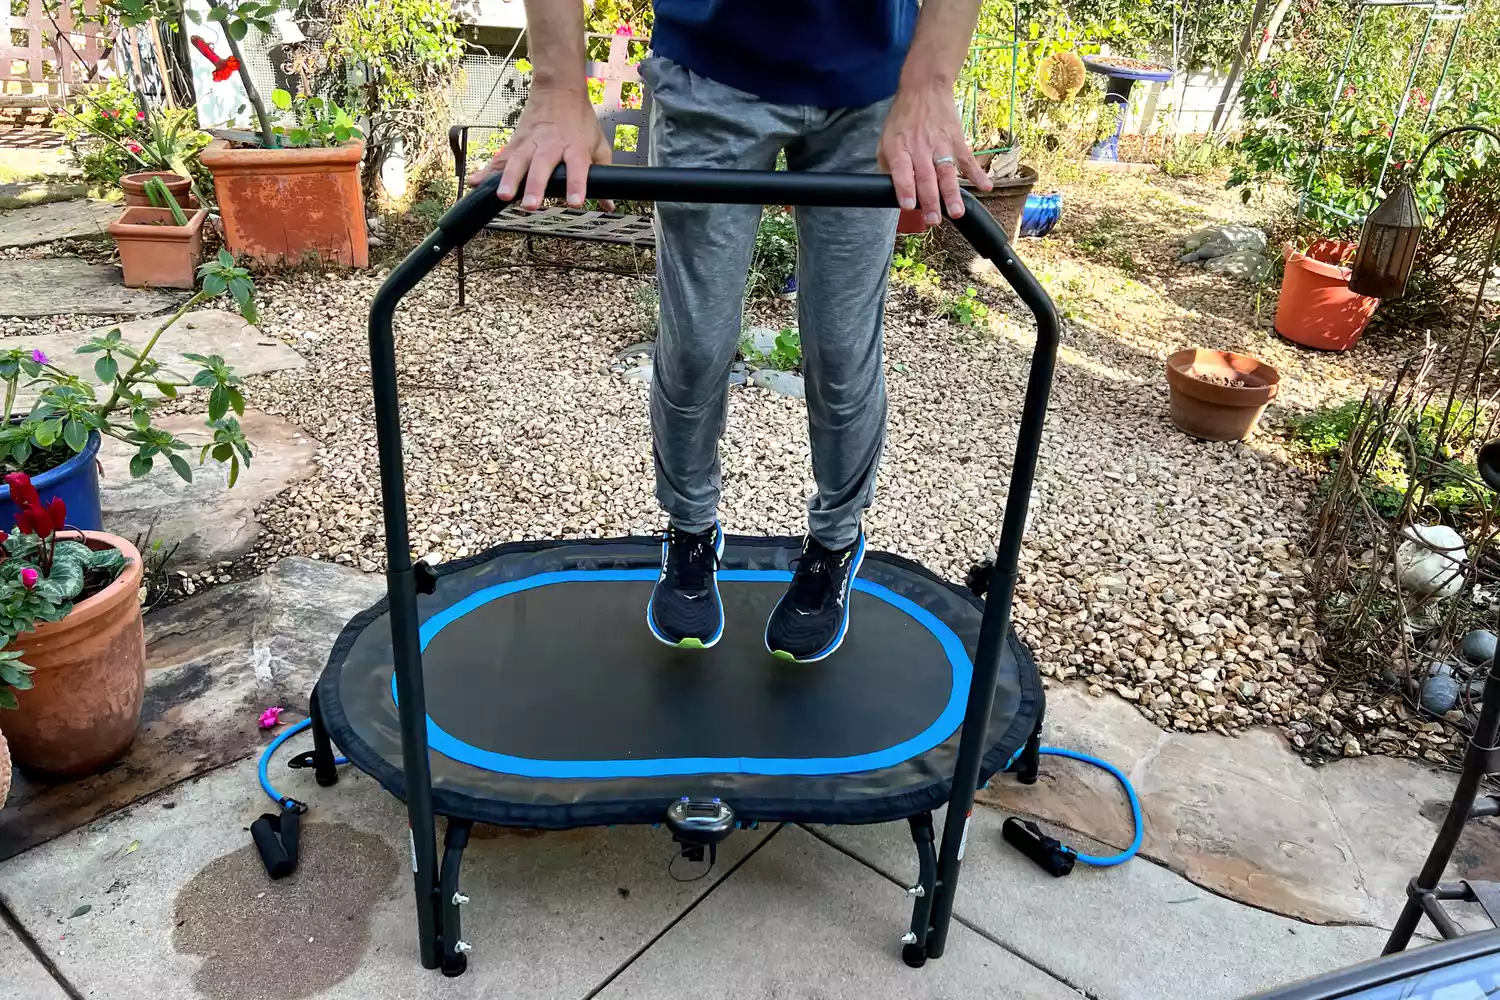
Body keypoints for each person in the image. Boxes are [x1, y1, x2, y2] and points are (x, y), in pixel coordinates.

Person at [472, 0, 992, 662]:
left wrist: (930, 83)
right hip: (709, 70)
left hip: (872, 87)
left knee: (839, 351)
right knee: (696, 347)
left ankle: (834, 541)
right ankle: (691, 533)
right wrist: (557, 88)